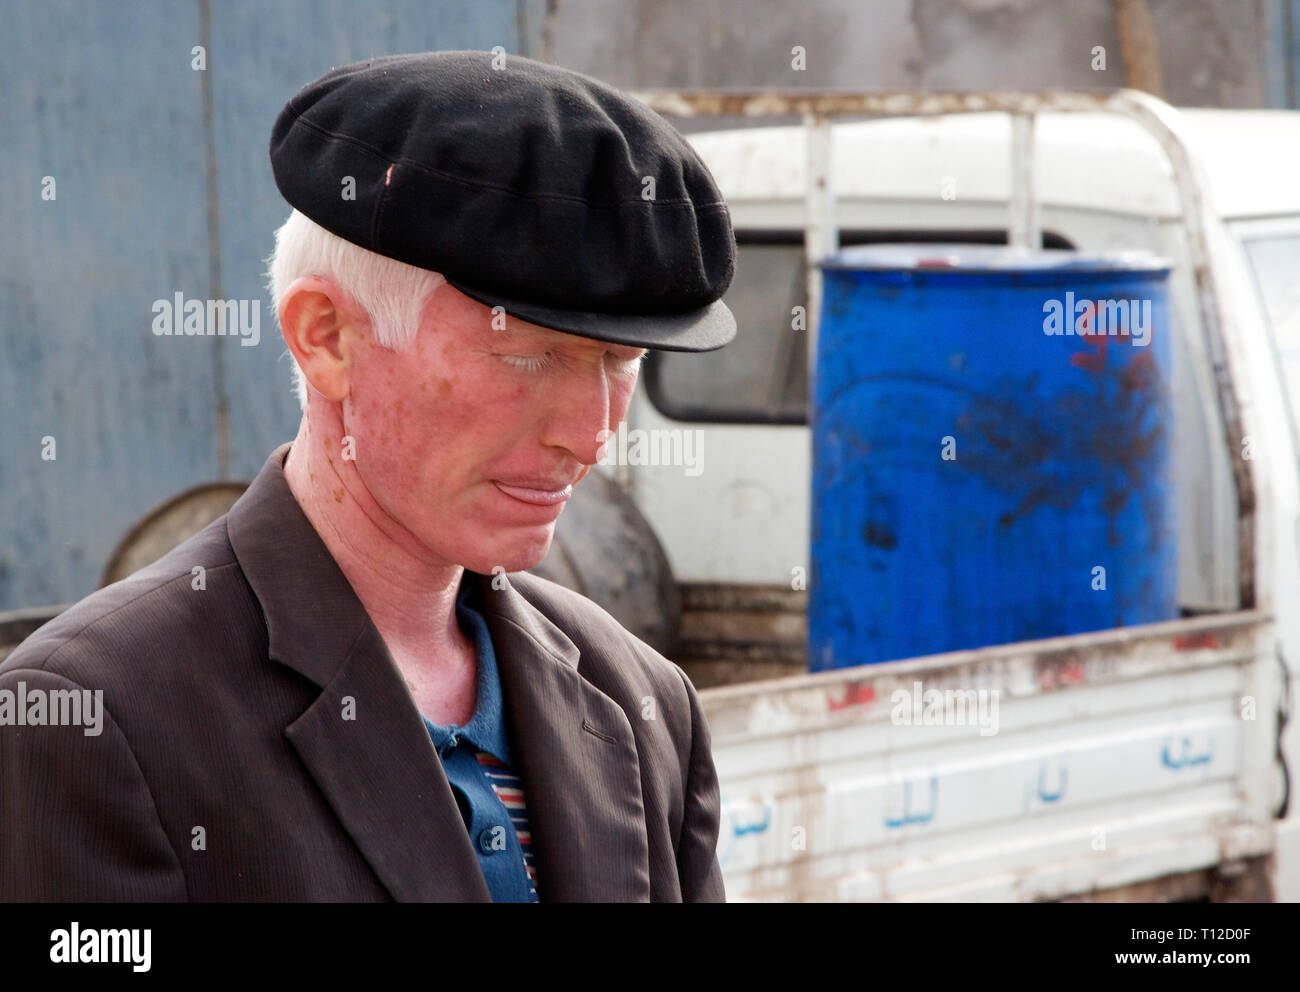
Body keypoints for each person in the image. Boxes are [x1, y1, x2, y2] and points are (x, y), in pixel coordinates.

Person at [0, 50, 737, 902]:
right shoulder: (92, 721)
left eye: (620, 360)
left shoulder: (644, 701)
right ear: (326, 337)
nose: (592, 435)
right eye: (530, 357)